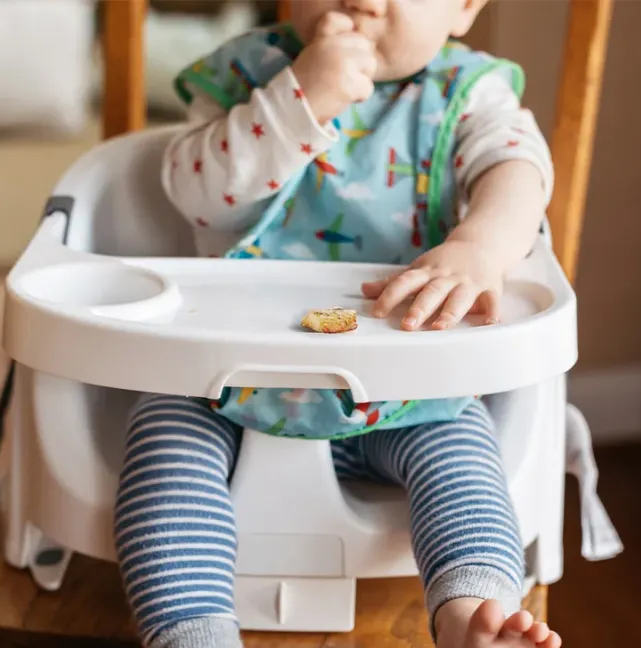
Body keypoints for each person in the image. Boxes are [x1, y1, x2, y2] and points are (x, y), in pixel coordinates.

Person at [114, 0, 559, 646]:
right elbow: (195, 192)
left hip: (405, 385)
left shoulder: (468, 95)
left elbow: (519, 173)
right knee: (161, 443)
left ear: (464, 7)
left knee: (462, 452)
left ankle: (472, 614)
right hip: (222, 380)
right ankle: (192, 633)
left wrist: (479, 247)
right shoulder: (243, 76)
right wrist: (300, 101)